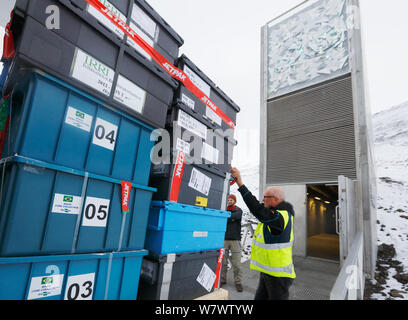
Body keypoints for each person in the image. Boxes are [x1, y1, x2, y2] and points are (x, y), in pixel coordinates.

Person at [231, 167, 296, 300]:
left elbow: (258, 210)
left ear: (276, 199)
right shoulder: (274, 216)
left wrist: (241, 184)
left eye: (266, 197)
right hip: (268, 272)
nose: (262, 200)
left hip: (279, 276)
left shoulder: (281, 217)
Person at [221, 194, 243, 292]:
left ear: (234, 201)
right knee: (223, 262)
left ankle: (238, 282)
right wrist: (230, 218)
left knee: (237, 264)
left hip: (235, 241)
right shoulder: (223, 209)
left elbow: (235, 216)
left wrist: (226, 217)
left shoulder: (239, 210)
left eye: (231, 200)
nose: (229, 201)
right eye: (228, 199)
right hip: (224, 240)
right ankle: (222, 280)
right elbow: (227, 218)